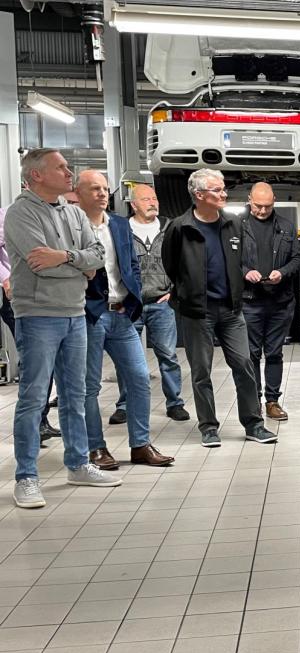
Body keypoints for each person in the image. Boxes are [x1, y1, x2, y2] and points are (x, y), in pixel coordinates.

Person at [5, 148, 121, 508]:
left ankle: (78, 463)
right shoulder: (19, 213)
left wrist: (66, 257)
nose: (68, 172)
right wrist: (76, 262)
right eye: (60, 167)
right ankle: (26, 477)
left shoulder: (72, 211)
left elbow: (96, 258)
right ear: (36, 175)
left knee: (76, 394)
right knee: (34, 396)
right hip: (38, 314)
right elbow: (40, 262)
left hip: (75, 312)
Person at [162, 169, 277, 448]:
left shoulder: (232, 224)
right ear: (199, 195)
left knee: (244, 364)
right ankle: (208, 427)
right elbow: (171, 264)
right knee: (202, 371)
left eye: (223, 188)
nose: (224, 193)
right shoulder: (180, 227)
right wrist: (187, 292)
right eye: (217, 190)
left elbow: (238, 262)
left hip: (231, 310)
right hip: (197, 312)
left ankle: (254, 424)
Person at [75, 171, 174, 470]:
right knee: (89, 386)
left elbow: (129, 263)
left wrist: (133, 299)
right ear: (78, 193)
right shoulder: (72, 226)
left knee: (140, 379)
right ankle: (96, 448)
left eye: (105, 189)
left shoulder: (118, 225)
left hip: (121, 315)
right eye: (94, 189)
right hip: (89, 315)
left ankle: (140, 445)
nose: (102, 194)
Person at [109, 184, 189, 424]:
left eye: (154, 198)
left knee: (168, 355)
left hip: (161, 301)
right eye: (146, 199)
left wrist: (175, 291)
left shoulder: (170, 227)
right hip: (130, 305)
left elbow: (185, 261)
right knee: (127, 358)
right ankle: (124, 405)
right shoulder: (120, 228)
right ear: (133, 204)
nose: (153, 202)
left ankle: (175, 403)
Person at [241, 182, 300, 421]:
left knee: (274, 353)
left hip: (280, 302)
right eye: (258, 206)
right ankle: (253, 400)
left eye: (267, 206)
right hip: (250, 301)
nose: (263, 211)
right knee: (251, 354)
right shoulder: (236, 226)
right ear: (249, 200)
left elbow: (297, 258)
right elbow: (229, 259)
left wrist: (283, 272)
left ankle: (272, 401)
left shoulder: (286, 227)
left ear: (274, 200)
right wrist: (245, 271)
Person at [0, 207, 61, 443]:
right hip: (19, 296)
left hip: (45, 298)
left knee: (45, 363)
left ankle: (40, 421)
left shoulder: (55, 215)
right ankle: (31, 427)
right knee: (35, 364)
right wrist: (6, 278)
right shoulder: (10, 214)